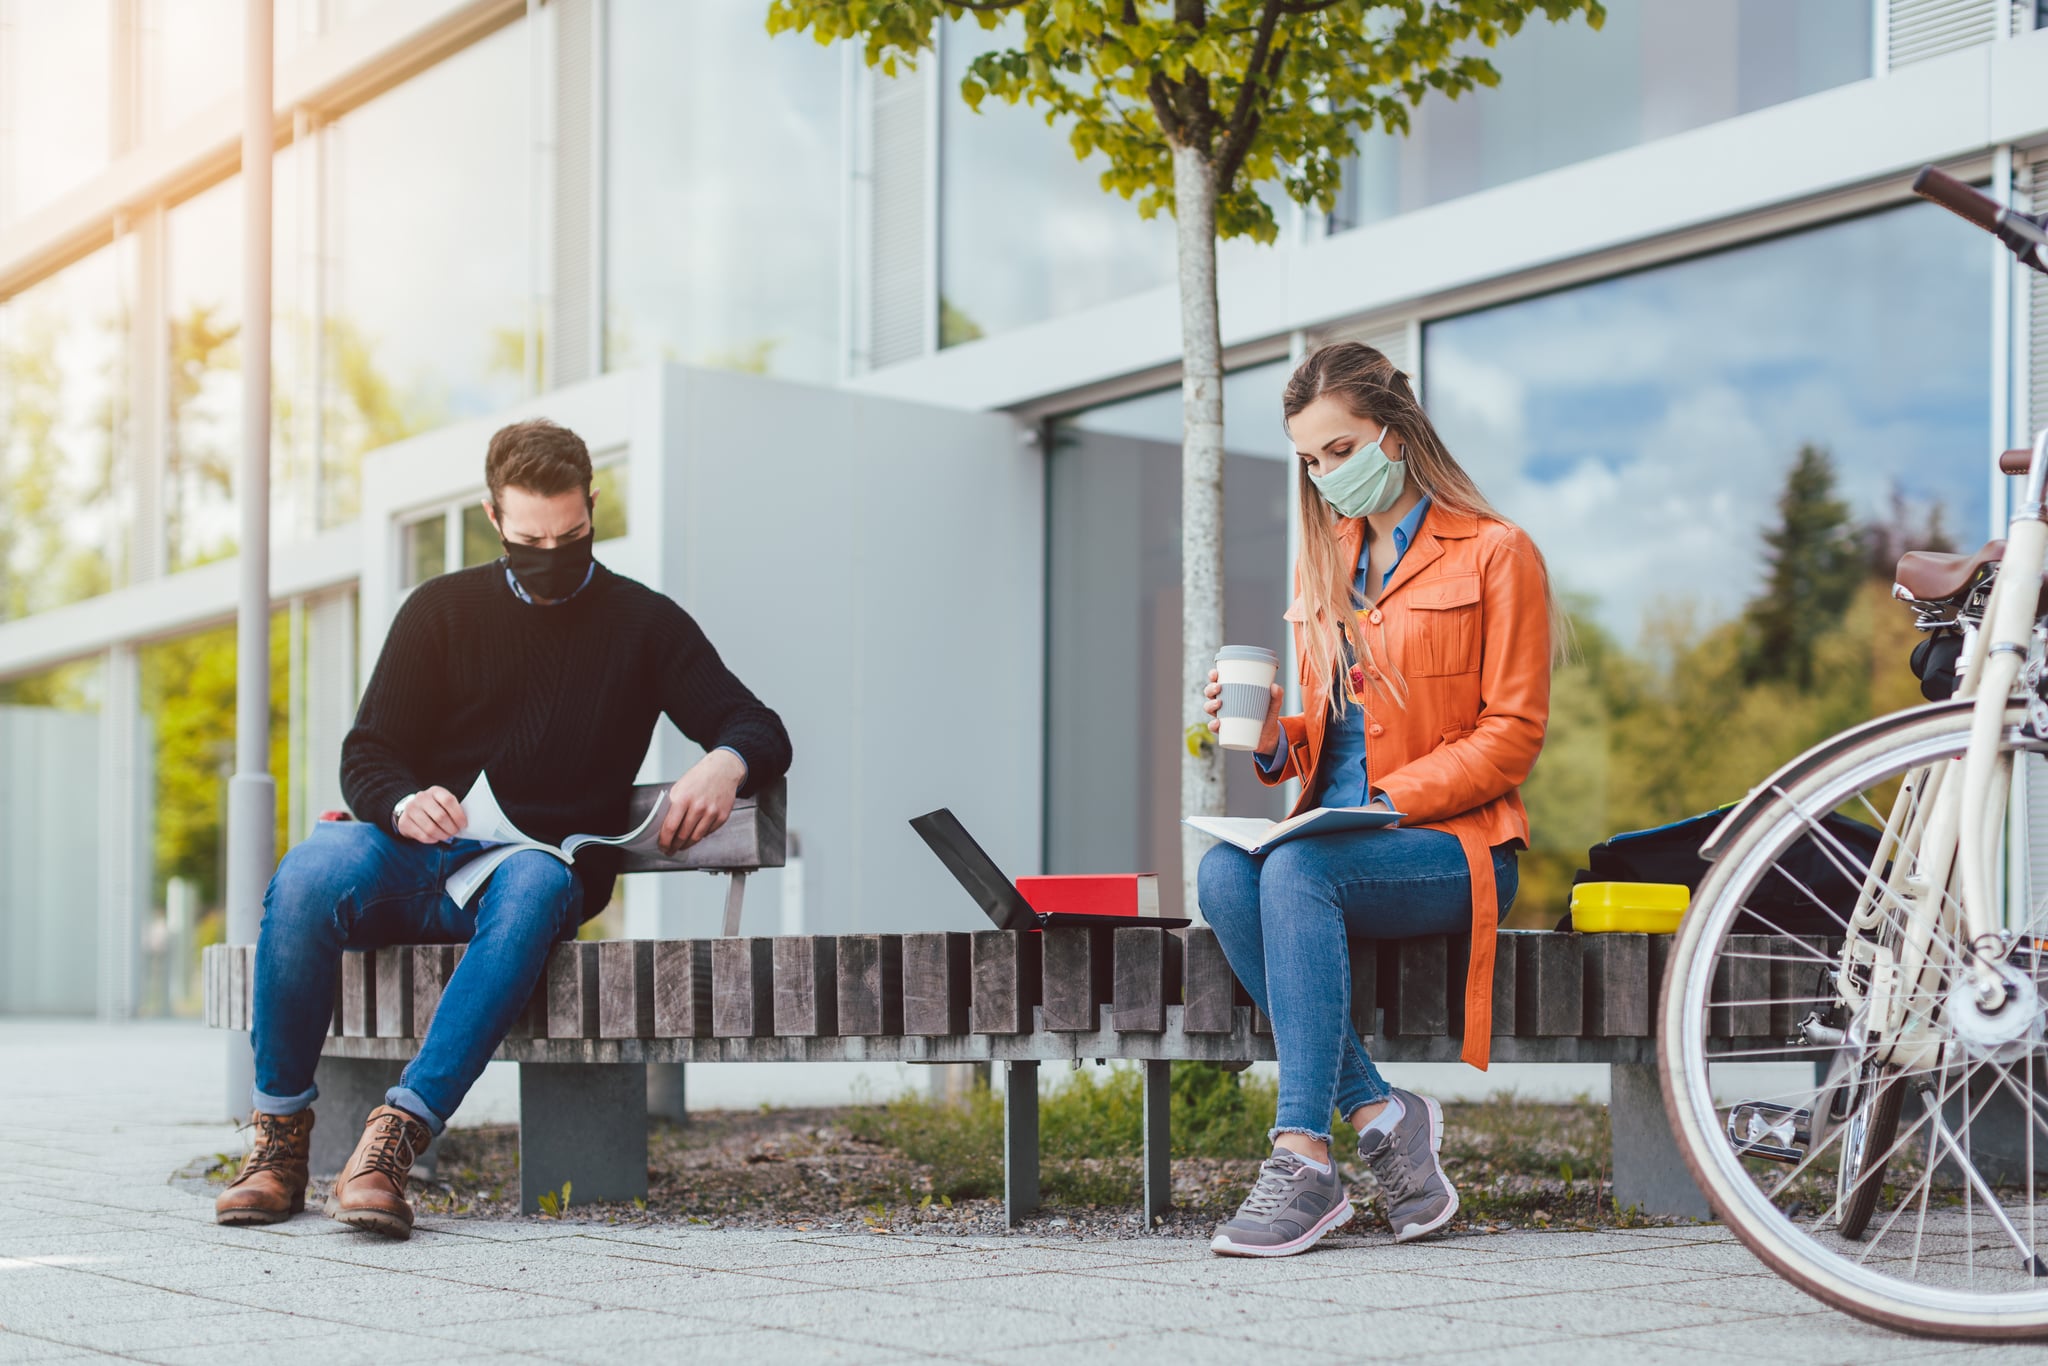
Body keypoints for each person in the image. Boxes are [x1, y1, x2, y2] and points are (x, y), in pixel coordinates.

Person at [215, 418, 792, 1238]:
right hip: (416, 855)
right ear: (494, 517)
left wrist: (726, 759)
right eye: (530, 539)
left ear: (592, 505)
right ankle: (278, 1144)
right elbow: (368, 755)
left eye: (572, 535)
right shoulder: (440, 611)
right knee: (310, 870)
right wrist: (404, 801)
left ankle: (392, 1143)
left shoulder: (645, 625)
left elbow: (761, 725)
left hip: (531, 873)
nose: (552, 553)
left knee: (537, 879)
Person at [1198, 342, 1556, 1257]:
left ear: (1394, 436)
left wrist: (1392, 801)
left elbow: (1511, 736)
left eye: (1340, 451)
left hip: (1453, 848)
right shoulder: (1322, 567)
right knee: (1225, 876)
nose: (1326, 478)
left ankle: (1302, 1156)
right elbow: (1328, 737)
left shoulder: (1496, 552)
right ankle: (1384, 1118)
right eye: (1311, 461)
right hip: (1332, 844)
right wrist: (1277, 739)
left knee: (1297, 868)